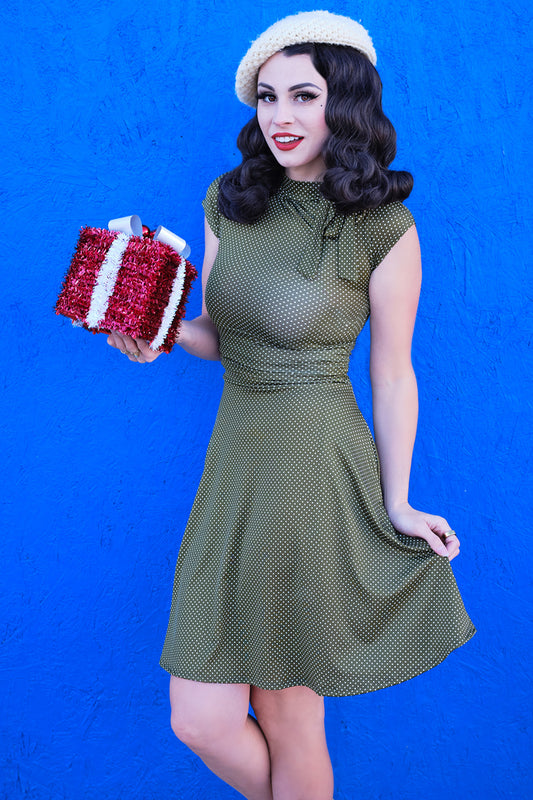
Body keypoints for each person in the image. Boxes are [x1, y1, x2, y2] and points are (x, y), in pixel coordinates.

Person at [107, 11, 475, 800]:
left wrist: (398, 501)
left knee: (289, 717)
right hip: (234, 463)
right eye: (266, 98)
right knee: (201, 719)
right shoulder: (228, 200)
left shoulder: (381, 226)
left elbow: (392, 375)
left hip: (312, 469)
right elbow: (222, 335)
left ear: (343, 103)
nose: (278, 117)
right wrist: (159, 331)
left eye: (302, 96)